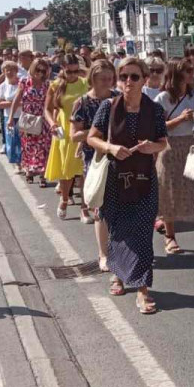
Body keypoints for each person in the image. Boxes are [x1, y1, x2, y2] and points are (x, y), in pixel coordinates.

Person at [86, 58, 169, 314]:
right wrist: (110, 147)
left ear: (145, 80)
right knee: (119, 231)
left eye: (134, 77)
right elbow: (91, 138)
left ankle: (143, 290)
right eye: (124, 77)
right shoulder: (108, 107)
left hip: (144, 179)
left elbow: (162, 141)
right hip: (115, 179)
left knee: (143, 233)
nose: (128, 82)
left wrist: (150, 147)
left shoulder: (154, 110)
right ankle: (119, 274)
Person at [153, 57, 194, 253]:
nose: (192, 74)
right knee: (168, 191)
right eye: (187, 71)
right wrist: (181, 119)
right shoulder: (163, 98)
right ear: (176, 74)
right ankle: (170, 236)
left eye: (192, 70)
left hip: (193, 145)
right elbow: (158, 127)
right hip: (171, 147)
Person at [73, 59, 116, 268]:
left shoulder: (118, 98)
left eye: (110, 78)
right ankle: (103, 254)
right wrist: (95, 133)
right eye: (102, 79)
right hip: (95, 159)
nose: (107, 83)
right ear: (93, 79)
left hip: (119, 157)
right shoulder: (82, 102)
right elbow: (74, 136)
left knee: (119, 206)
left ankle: (120, 249)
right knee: (100, 206)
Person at [44, 54, 88, 219]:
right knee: (67, 171)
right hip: (64, 132)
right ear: (62, 69)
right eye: (70, 72)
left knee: (84, 171)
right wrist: (52, 124)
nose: (73, 75)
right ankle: (64, 199)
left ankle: (84, 207)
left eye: (76, 71)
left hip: (82, 131)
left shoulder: (85, 83)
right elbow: (47, 109)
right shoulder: (56, 85)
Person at [8, 58, 52, 186]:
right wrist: (11, 118)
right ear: (32, 69)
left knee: (43, 147)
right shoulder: (24, 82)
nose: (40, 73)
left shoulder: (48, 84)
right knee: (28, 146)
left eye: (43, 70)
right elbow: (16, 100)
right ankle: (29, 170)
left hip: (43, 119)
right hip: (28, 118)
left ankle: (43, 175)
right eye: (37, 70)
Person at [0, 61, 22, 167]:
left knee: (21, 141)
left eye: (12, 70)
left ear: (16, 71)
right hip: (8, 117)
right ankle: (17, 164)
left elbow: (25, 102)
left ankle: (23, 163)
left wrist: (14, 104)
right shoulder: (3, 86)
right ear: (4, 72)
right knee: (11, 140)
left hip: (21, 117)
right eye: (7, 70)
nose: (10, 72)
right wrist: (14, 103)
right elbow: (0, 104)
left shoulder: (21, 84)